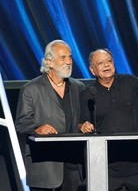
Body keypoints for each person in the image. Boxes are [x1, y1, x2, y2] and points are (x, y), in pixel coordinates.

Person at [79, 49, 138, 191]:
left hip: (137, 165)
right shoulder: (88, 94)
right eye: (100, 63)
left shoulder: (130, 82)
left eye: (109, 61)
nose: (106, 65)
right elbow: (80, 123)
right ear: (93, 70)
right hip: (106, 168)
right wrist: (83, 126)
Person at [15, 40, 85, 191]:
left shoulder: (78, 87)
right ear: (49, 62)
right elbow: (21, 123)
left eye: (70, 57)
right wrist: (37, 128)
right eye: (63, 57)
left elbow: (80, 120)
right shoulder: (31, 89)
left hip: (73, 166)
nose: (68, 62)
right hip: (45, 165)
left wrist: (82, 125)